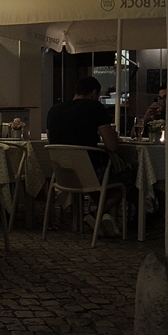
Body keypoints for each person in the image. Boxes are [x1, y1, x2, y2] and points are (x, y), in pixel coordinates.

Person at [46, 75, 131, 236]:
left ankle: (103, 217)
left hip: (64, 174)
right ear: (93, 93)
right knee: (126, 181)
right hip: (89, 172)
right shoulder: (95, 107)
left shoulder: (54, 110)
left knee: (96, 180)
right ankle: (95, 215)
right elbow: (112, 145)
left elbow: (52, 140)